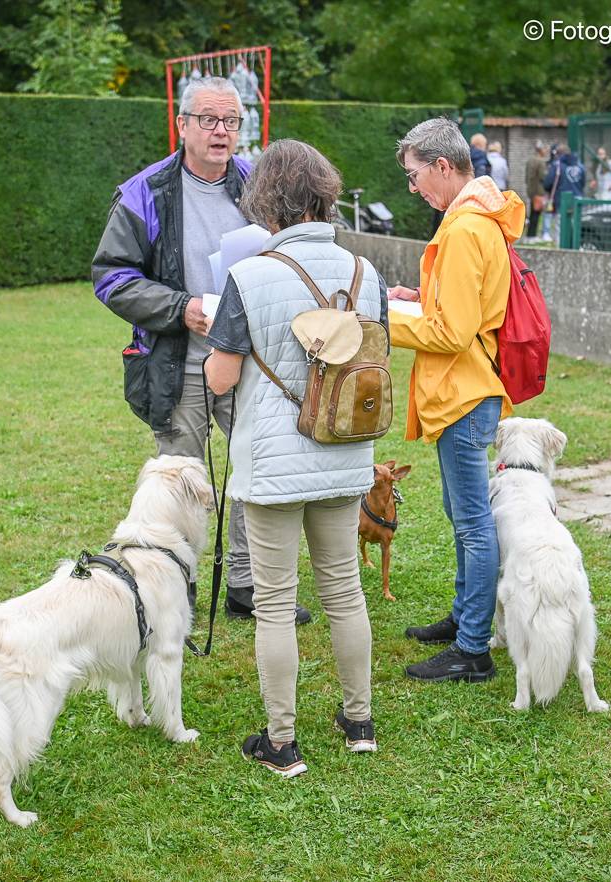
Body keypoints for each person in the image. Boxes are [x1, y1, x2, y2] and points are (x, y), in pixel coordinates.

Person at [91, 77, 311, 624]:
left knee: (255, 468)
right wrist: (181, 308)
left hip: (247, 361)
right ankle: (174, 589)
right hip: (177, 361)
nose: (221, 131)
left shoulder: (258, 186)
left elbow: (288, 254)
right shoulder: (145, 192)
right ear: (182, 125)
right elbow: (111, 276)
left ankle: (247, 583)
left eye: (232, 121)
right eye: (209, 120)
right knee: (182, 482)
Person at [204, 139, 385, 776]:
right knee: (344, 591)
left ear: (267, 204)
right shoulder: (367, 276)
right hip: (345, 451)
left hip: (273, 463)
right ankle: (358, 719)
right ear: (326, 196)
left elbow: (221, 380)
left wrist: (213, 348)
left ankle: (282, 741)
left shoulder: (247, 277)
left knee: (275, 603)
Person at [387, 117, 522, 683]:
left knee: (471, 522)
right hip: (465, 390)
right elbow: (463, 308)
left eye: (416, 176)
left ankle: (473, 649)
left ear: (444, 167)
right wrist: (418, 298)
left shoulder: (466, 228)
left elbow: (451, 333)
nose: (413, 188)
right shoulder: (475, 219)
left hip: (465, 394)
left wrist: (385, 319)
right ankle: (467, 619)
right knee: (462, 515)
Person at [543, 145, 585, 246]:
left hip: (561, 200)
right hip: (578, 199)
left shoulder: (557, 165)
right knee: (576, 224)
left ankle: (561, 248)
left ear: (557, 154)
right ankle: (576, 246)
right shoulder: (580, 166)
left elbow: (548, 183)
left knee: (560, 226)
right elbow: (583, 183)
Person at [525, 141, 549, 242]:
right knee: (536, 213)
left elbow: (526, 177)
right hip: (538, 191)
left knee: (532, 213)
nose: (546, 151)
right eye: (545, 149)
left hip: (530, 190)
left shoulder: (529, 160)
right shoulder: (541, 162)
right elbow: (543, 177)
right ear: (541, 150)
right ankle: (532, 236)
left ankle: (529, 235)